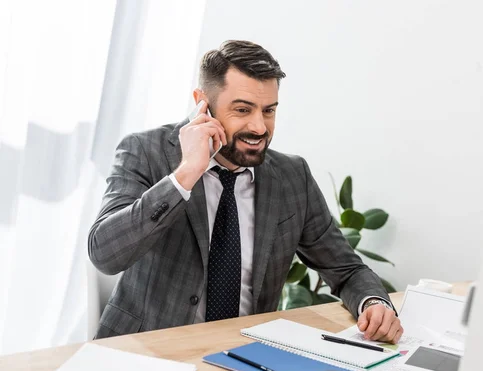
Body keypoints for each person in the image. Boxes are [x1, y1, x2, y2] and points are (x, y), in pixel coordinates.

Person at [88, 40, 403, 342]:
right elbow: (105, 254)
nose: (260, 128)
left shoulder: (293, 177)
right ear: (203, 103)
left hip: (242, 357)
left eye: (269, 110)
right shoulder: (145, 151)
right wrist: (185, 174)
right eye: (243, 110)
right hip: (144, 351)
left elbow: (346, 269)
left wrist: (374, 303)